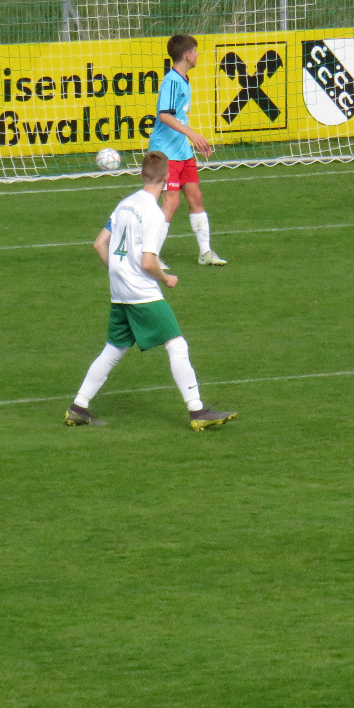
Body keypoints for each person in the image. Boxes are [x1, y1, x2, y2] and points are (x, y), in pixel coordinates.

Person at [65, 151, 237, 431]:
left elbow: (99, 244)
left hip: (119, 291)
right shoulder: (154, 214)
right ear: (168, 177)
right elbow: (148, 262)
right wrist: (165, 278)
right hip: (142, 293)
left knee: (114, 349)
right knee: (176, 345)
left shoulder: (124, 205)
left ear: (142, 174)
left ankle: (78, 407)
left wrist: (118, 272)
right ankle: (197, 411)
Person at [147, 34, 227, 265]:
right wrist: (193, 135)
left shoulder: (183, 79)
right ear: (187, 55)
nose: (198, 54)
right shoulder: (171, 81)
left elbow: (178, 116)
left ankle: (205, 253)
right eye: (195, 51)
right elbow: (164, 115)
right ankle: (151, 255)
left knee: (196, 198)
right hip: (166, 153)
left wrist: (192, 142)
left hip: (182, 151)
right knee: (171, 202)